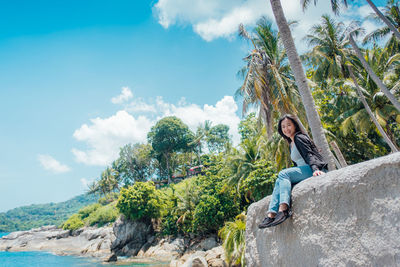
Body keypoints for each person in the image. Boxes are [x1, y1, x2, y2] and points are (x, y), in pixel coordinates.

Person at [258, 114, 328, 228]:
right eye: (283, 127)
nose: (286, 129)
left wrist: (315, 169)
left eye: (289, 125)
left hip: (311, 168)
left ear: (295, 125)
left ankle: (284, 208)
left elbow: (309, 154)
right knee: (278, 181)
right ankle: (271, 214)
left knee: (283, 173)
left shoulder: (299, 137)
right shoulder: (291, 143)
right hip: (303, 171)